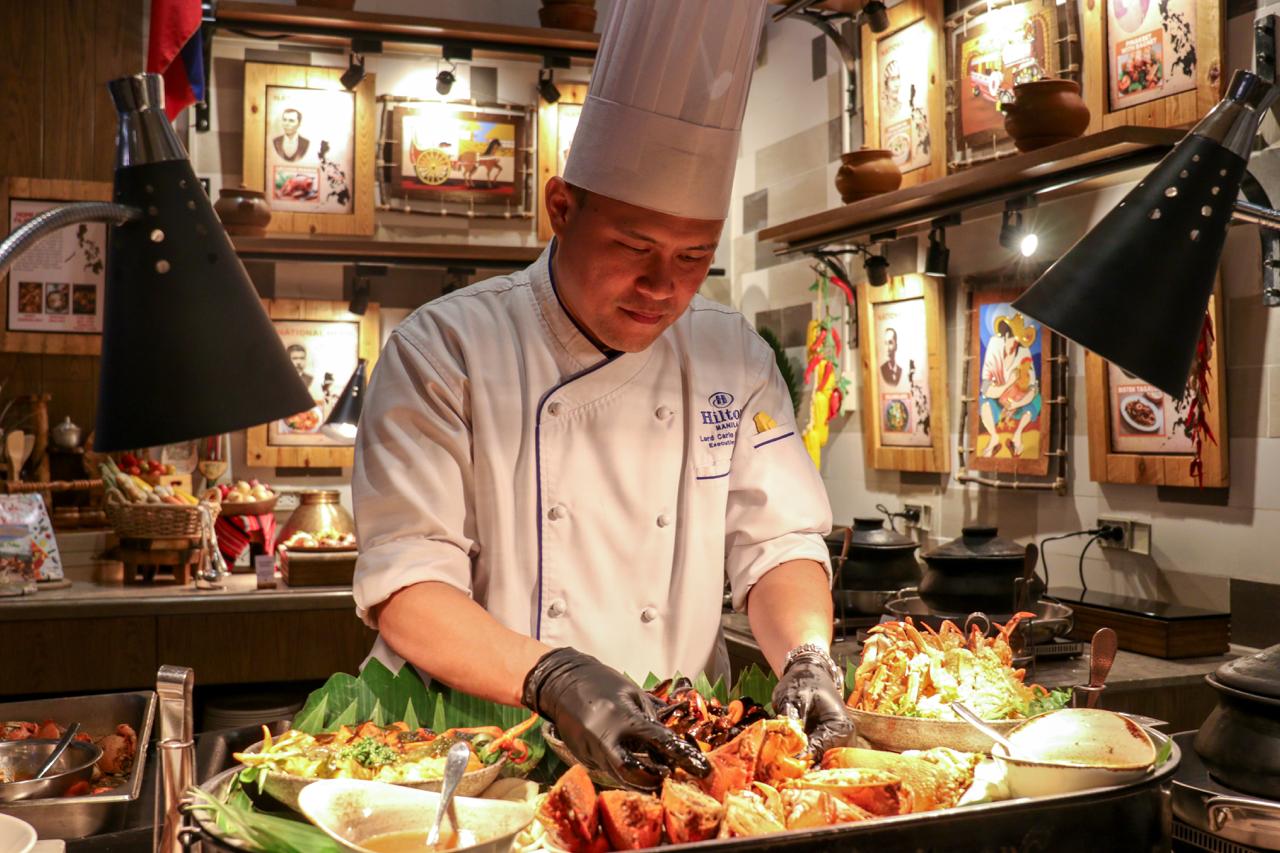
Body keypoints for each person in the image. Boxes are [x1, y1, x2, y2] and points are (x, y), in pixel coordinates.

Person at [352, 0, 849, 791]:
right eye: (634, 248)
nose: (663, 286)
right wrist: (552, 675)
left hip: (674, 756)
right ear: (561, 208)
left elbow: (778, 545)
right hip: (479, 759)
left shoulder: (732, 355)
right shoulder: (444, 349)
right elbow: (407, 585)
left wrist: (807, 654)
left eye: (693, 257)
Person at [979, 312, 1041, 457]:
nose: (1015, 345)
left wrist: (1015, 405)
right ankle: (994, 438)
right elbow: (987, 389)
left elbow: (1033, 389)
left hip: (1018, 400)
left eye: (1018, 341)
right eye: (1013, 339)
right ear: (1006, 336)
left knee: (1037, 400)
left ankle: (1017, 436)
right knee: (984, 403)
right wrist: (1008, 384)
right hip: (998, 398)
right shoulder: (994, 346)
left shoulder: (1024, 351)